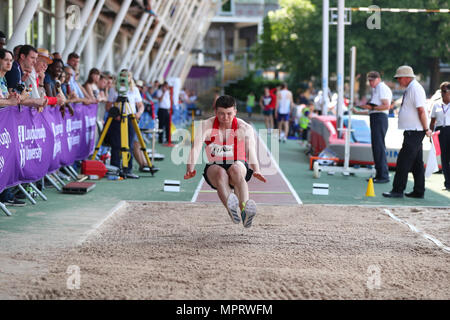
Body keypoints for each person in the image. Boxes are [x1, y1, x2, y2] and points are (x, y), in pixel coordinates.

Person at [184, 95, 267, 228]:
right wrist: (190, 168)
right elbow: (196, 148)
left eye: (229, 114)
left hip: (237, 162)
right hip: (215, 165)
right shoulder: (206, 126)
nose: (226, 118)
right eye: (221, 114)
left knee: (236, 170)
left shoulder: (244, 128)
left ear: (235, 112)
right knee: (220, 173)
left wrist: (256, 169)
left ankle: (245, 210)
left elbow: (250, 149)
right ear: (215, 112)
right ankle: (231, 209)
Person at [383, 66, 431, 198]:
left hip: (414, 131)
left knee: (403, 161)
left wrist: (426, 129)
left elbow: (421, 110)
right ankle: (419, 190)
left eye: (399, 78)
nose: (398, 81)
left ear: (405, 77)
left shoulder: (415, 89)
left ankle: (398, 190)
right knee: (416, 163)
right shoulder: (413, 88)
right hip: (414, 130)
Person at [352, 71, 392, 183]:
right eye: (369, 80)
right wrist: (359, 111)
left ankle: (383, 175)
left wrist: (367, 108)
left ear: (378, 79)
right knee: (377, 147)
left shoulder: (381, 88)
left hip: (379, 118)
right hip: (377, 118)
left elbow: (385, 106)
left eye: (372, 80)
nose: (370, 83)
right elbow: (373, 109)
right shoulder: (378, 89)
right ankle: (380, 174)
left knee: (378, 147)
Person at [105, 69, 144, 179]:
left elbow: (140, 105)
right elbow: (108, 106)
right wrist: (115, 113)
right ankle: (115, 169)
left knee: (130, 145)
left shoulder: (135, 90)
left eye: (126, 76)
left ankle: (128, 169)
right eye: (122, 76)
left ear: (130, 78)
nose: (124, 78)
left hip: (130, 118)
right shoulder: (113, 89)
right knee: (116, 145)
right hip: (117, 120)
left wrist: (139, 113)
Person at [429, 81, 450, 191]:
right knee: (444, 158)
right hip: (441, 131)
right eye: (441, 91)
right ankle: (448, 184)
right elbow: (432, 122)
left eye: (444, 91)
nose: (442, 93)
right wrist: (430, 134)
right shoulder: (436, 104)